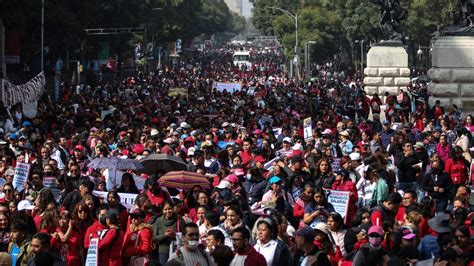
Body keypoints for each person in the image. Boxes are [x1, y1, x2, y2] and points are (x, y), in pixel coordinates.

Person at [152, 200, 186, 265]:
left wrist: (175, 235)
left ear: (173, 209)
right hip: (163, 252)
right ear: (162, 210)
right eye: (165, 209)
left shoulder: (179, 219)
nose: (168, 211)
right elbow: (154, 237)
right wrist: (165, 235)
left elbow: (185, 235)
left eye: (170, 209)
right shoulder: (158, 221)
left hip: (177, 251)